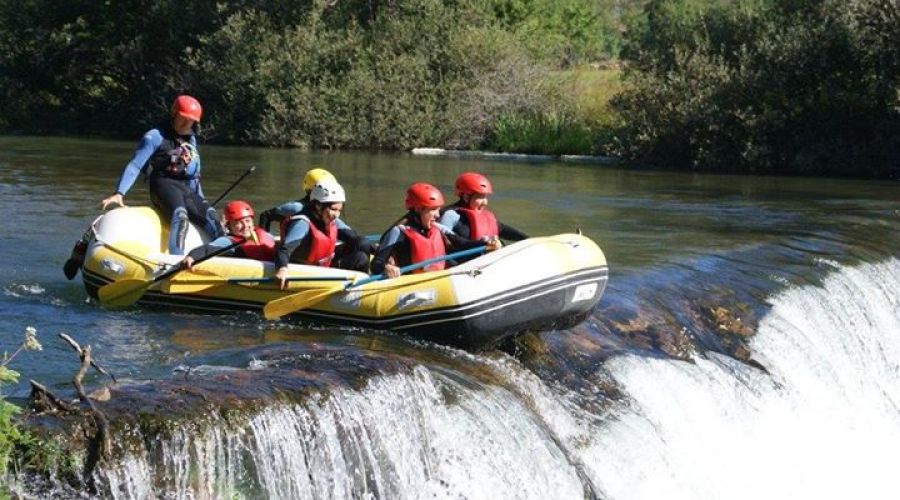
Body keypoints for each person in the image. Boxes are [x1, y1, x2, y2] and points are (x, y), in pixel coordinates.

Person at [99, 95, 224, 255]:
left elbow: (194, 177)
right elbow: (135, 165)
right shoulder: (155, 136)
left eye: (190, 121)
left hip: (185, 189)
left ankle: (222, 255)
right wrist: (119, 193)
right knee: (181, 217)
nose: (186, 124)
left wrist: (202, 199)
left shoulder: (191, 140)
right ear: (174, 115)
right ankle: (176, 260)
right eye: (182, 118)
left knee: (212, 216)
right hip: (162, 185)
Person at [371, 183, 501, 278]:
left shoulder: (438, 228)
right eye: (433, 209)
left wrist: (486, 244)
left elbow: (462, 244)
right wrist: (387, 267)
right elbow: (376, 264)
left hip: (437, 283)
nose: (438, 215)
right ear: (418, 209)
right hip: (408, 287)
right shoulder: (398, 232)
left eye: (438, 209)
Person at [273, 180, 371, 288]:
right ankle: (362, 289)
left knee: (363, 243)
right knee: (361, 259)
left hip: (324, 263)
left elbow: (354, 238)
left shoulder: (329, 219)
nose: (336, 215)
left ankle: (367, 279)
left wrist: (380, 251)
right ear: (318, 206)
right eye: (333, 209)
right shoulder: (302, 223)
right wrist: (282, 269)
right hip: (307, 269)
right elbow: (284, 250)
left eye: (339, 210)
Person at [182, 200, 275, 268]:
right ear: (230, 226)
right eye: (238, 223)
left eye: (247, 221)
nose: (245, 225)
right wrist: (192, 256)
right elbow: (208, 248)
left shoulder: (265, 235)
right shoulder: (228, 241)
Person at [439, 171, 528, 242]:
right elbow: (445, 243)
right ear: (466, 197)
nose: (485, 202)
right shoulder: (450, 215)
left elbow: (503, 230)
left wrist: (529, 240)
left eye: (485, 197)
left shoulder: (485, 217)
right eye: (480, 197)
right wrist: (482, 245)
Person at [257, 167, 336, 232]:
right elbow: (265, 215)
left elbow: (347, 233)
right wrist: (265, 240)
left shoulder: (332, 212)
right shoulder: (296, 208)